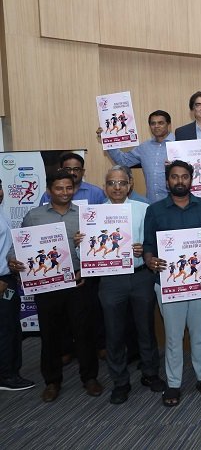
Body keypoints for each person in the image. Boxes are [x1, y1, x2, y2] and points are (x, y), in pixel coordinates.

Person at [8, 171, 101, 402]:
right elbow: (18, 246)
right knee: (49, 335)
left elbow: (94, 249)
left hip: (78, 283)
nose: (65, 193)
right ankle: (52, 381)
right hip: (46, 286)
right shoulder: (34, 216)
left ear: (74, 189)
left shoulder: (85, 215)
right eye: (59, 188)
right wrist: (13, 260)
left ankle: (89, 377)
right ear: (50, 191)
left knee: (84, 332)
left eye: (69, 188)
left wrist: (86, 270)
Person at [80, 166, 164, 404]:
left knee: (145, 329)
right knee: (114, 332)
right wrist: (80, 243)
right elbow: (88, 252)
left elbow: (156, 242)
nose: (117, 187)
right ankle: (120, 381)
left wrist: (145, 248)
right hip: (110, 280)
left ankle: (150, 374)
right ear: (105, 186)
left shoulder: (144, 209)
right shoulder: (92, 215)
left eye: (121, 183)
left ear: (130, 185)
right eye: (111, 183)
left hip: (140, 276)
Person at [143, 160, 201, 407]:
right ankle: (173, 383)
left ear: (191, 179)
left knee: (199, 333)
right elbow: (147, 244)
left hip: (199, 280)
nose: (180, 181)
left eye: (185, 176)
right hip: (167, 281)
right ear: (168, 181)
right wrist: (150, 260)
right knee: (173, 337)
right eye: (175, 177)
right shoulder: (155, 210)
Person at [0, 179, 35, 391]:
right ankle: (6, 376)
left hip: (9, 277)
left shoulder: (1, 211)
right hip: (1, 280)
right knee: (5, 330)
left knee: (12, 328)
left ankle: (11, 372)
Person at [105, 110, 174, 203]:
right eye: (153, 123)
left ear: (168, 125)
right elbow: (123, 161)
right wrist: (107, 139)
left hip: (175, 203)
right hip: (152, 204)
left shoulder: (180, 144)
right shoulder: (144, 147)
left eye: (160, 123)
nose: (156, 126)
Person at [40, 153, 106, 205]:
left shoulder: (97, 193)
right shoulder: (49, 194)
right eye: (68, 169)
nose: (72, 172)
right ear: (60, 170)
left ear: (82, 172)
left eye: (76, 169)